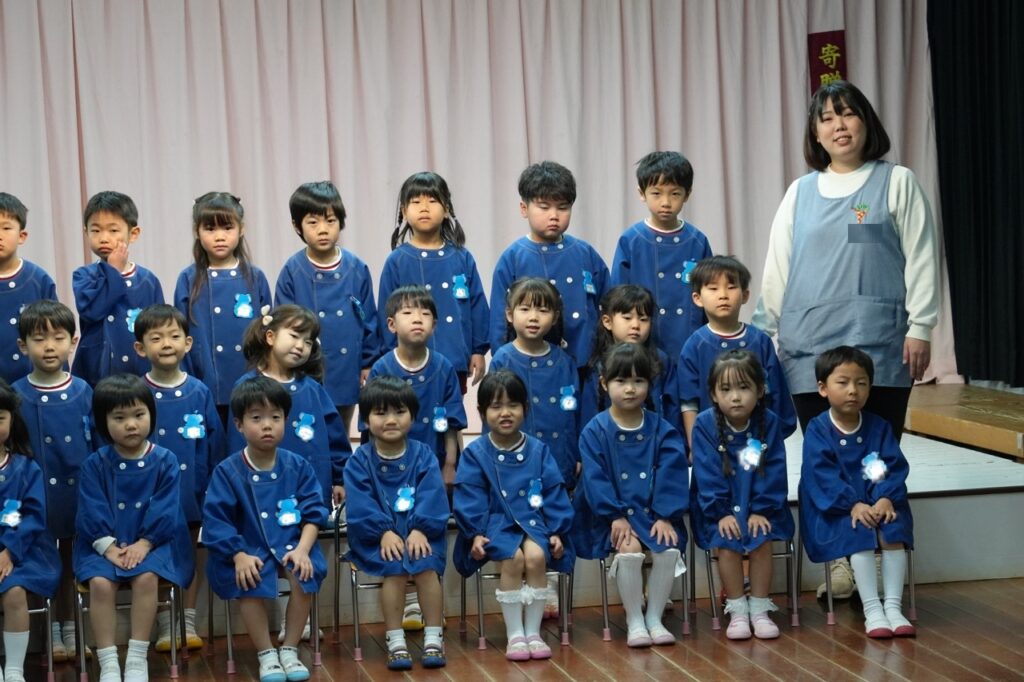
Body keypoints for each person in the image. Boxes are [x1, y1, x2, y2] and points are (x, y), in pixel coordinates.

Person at [756, 80, 938, 598]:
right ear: (815, 133)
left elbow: (922, 256)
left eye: (848, 113)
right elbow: (777, 268)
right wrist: (766, 333)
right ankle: (840, 561)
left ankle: (880, 556)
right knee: (825, 465)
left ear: (866, 122)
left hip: (879, 344)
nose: (839, 125)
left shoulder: (896, 182)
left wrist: (922, 325)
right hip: (809, 348)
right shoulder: (799, 193)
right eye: (827, 118)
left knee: (877, 460)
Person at [231, 304, 349, 642]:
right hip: (261, 493)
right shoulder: (247, 386)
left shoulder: (312, 388)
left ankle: (299, 620)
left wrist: (339, 477)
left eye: (308, 341)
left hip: (308, 489)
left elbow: (335, 435)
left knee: (306, 549)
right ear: (270, 336)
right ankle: (278, 621)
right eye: (295, 335)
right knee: (270, 549)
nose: (301, 345)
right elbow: (234, 446)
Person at [203, 377, 329, 682]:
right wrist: (238, 555)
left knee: (304, 573)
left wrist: (303, 549)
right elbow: (217, 521)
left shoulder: (298, 465)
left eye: (275, 417)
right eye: (257, 418)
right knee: (250, 576)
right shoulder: (228, 471)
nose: (267, 425)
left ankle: (289, 648)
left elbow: (314, 514)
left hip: (292, 542)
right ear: (239, 424)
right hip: (246, 547)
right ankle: (266, 653)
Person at [73, 374, 194, 682]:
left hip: (155, 543)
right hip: (102, 544)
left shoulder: (165, 460)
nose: (131, 424)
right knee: (100, 584)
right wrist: (108, 547)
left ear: (151, 415)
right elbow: (91, 509)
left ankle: (137, 657)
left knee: (146, 578)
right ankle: (109, 660)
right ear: (103, 422)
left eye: (139, 415)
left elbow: (166, 509)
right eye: (119, 418)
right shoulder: (94, 463)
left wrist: (145, 543)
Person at [453, 370, 574, 662]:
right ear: (482, 412)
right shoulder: (476, 453)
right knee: (513, 558)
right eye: (496, 406)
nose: (505, 413)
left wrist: (556, 530)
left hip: (534, 522)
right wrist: (475, 533)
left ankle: (533, 632)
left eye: (513, 405)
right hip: (494, 525)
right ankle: (515, 633)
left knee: (536, 556)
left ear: (525, 408)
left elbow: (553, 492)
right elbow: (470, 497)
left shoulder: (538, 450)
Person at [575, 343, 688, 648]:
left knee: (667, 547)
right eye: (621, 381)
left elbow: (672, 474)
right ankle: (634, 619)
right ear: (604, 383)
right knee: (628, 548)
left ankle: (654, 617)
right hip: (609, 517)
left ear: (650, 384)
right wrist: (615, 515)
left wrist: (665, 515)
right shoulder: (594, 431)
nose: (630, 389)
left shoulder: (662, 430)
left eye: (639, 381)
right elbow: (595, 480)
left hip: (654, 513)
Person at [367, 286, 466, 630]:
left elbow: (453, 422)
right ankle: (409, 603)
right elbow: (371, 426)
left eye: (425, 314)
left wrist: (450, 465)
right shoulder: (381, 368)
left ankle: (430, 604)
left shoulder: (444, 367)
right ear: (391, 324)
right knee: (398, 531)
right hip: (390, 469)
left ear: (435, 325)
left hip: (433, 467)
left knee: (428, 531)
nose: (418, 319)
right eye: (408, 313)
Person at [799, 346, 915, 639]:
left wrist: (885, 496)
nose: (853, 390)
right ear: (823, 388)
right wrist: (852, 504)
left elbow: (887, 466)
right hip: (835, 508)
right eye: (843, 382)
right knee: (859, 531)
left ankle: (893, 607)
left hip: (878, 501)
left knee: (893, 527)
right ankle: (873, 609)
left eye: (861, 383)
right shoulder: (818, 429)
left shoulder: (878, 427)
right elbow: (823, 476)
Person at [133, 304, 223, 650]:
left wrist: (211, 490)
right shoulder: (137, 393)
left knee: (190, 553)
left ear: (187, 343)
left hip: (191, 491)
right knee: (154, 554)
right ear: (141, 348)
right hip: (146, 496)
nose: (166, 344)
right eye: (156, 338)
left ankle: (186, 619)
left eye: (173, 336)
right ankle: (163, 621)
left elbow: (214, 446)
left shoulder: (199, 392)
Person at [12, 300, 98, 662]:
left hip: (77, 496)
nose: (49, 347)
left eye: (58, 338)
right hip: (33, 499)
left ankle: (74, 626)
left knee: (73, 561)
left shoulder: (84, 391)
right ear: (23, 346)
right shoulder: (16, 395)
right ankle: (50, 631)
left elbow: (97, 448)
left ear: (72, 342)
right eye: (39, 339)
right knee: (41, 560)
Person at [343, 376, 449, 670]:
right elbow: (360, 503)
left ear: (413, 417)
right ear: (366, 420)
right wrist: (384, 531)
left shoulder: (424, 455)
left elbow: (432, 494)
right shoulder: (359, 461)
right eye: (380, 413)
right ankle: (395, 640)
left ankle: (433, 636)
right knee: (394, 568)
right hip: (376, 538)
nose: (391, 420)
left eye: (399, 412)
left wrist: (420, 528)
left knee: (425, 566)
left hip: (421, 533)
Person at [488, 277, 578, 619]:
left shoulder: (564, 362)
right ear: (509, 315)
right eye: (525, 309)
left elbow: (573, 414)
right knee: (517, 521)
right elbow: (491, 412)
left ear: (555, 317)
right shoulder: (502, 359)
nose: (534, 317)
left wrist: (576, 455)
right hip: (514, 464)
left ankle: (547, 583)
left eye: (543, 309)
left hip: (557, 459)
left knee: (550, 519)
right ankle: (519, 585)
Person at [690, 350, 794, 640]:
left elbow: (775, 469)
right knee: (727, 540)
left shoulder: (769, 422)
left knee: (761, 537)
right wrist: (721, 512)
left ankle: (759, 609)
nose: (735, 397)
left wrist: (761, 509)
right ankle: (737, 609)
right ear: (713, 394)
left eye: (744, 387)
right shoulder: (704, 424)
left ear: (760, 390)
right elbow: (706, 474)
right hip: (718, 508)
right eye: (725, 389)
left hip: (761, 504)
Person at [275, 181, 381, 431]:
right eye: (313, 222)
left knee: (340, 429)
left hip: (347, 368)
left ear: (341, 222)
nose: (323, 230)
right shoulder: (292, 270)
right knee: (305, 428)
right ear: (297, 226)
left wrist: (369, 363)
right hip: (304, 368)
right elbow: (282, 324)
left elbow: (369, 319)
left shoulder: (356, 268)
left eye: (330, 221)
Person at [489, 161, 609, 373]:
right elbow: (499, 319)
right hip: (527, 367)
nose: (554, 215)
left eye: (563, 207)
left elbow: (609, 304)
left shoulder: (585, 253)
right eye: (544, 207)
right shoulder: (513, 258)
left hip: (586, 363)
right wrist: (504, 365)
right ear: (524, 208)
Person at [379, 172, 489, 393]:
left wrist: (478, 350)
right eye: (416, 202)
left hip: (454, 357)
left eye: (432, 200)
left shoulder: (461, 257)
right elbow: (385, 312)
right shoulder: (397, 261)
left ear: (446, 209)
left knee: (451, 411)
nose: (424, 208)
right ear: (404, 212)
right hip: (407, 362)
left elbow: (477, 307)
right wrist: (390, 358)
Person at [174, 192, 272, 423]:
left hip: (249, 381)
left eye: (227, 228)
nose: (219, 236)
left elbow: (268, 332)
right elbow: (179, 332)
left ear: (241, 229)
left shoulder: (255, 277)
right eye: (210, 229)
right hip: (204, 379)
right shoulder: (188, 279)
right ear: (196, 232)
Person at [679, 256, 796, 447]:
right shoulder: (694, 345)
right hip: (711, 445)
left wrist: (772, 442)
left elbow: (777, 396)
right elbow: (688, 402)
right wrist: (694, 445)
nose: (723, 295)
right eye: (713, 288)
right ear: (697, 298)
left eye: (731, 287)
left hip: (758, 443)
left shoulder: (760, 342)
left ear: (745, 295)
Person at [610, 151, 713, 362]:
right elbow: (618, 297)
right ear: (642, 193)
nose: (666, 202)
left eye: (675, 194)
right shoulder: (631, 240)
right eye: (656, 193)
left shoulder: (697, 241)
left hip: (689, 341)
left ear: (687, 194)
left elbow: (709, 294)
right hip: (643, 345)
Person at [0, 380, 62, 682]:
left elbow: (34, 516)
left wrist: (9, 551)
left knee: (13, 592)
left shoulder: (25, 468)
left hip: (24, 551)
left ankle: (14, 669)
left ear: (12, 420)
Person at [72, 191, 165, 386]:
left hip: (139, 368)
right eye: (95, 230)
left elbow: (159, 327)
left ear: (133, 233)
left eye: (113, 230)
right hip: (96, 368)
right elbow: (91, 311)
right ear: (86, 232)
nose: (104, 238)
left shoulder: (147, 280)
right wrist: (113, 270)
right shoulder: (84, 275)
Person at [581, 284, 680, 432]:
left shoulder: (661, 361)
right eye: (627, 318)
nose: (636, 325)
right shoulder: (599, 364)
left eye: (643, 319)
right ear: (607, 322)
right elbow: (588, 416)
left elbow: (673, 410)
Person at [0, 192, 57, 385]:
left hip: (33, 384)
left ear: (21, 236)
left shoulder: (39, 280)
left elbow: (56, 331)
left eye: (6, 228)